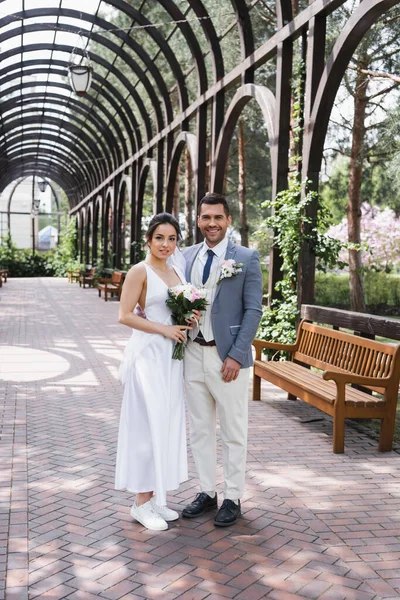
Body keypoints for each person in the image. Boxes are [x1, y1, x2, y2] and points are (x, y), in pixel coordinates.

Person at [182, 192, 263, 526]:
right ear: (198, 220)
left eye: (217, 217)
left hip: (226, 358)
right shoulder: (185, 256)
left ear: (228, 220)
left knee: (233, 430)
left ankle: (232, 496)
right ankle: (206, 491)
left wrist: (236, 355)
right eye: (205, 217)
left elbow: (253, 310)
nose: (211, 223)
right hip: (192, 354)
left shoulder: (246, 257)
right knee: (200, 429)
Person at [115, 213, 191, 531]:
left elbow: (177, 311)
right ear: (148, 239)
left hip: (170, 359)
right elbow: (124, 316)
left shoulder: (175, 270)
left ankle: (157, 497)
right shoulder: (139, 271)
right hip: (148, 356)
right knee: (146, 427)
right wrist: (163, 329)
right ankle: (141, 504)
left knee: (166, 423)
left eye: (172, 238)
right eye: (159, 237)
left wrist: (191, 315)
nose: (165, 244)